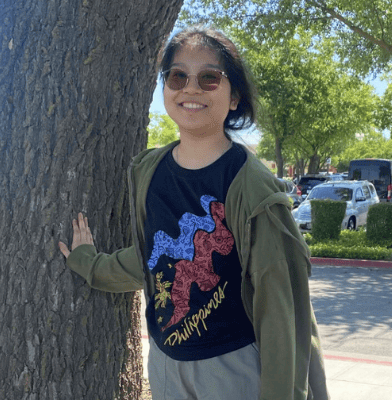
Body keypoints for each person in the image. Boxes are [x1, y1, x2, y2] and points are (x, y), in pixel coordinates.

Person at [58, 26, 329, 400]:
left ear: (234, 96)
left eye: (209, 78)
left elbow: (280, 307)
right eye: (177, 75)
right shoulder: (147, 172)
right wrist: (89, 263)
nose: (190, 88)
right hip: (166, 365)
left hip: (234, 368)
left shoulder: (252, 185)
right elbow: (154, 260)